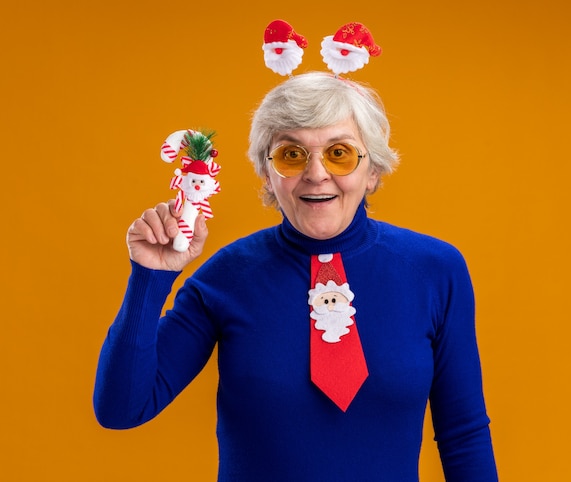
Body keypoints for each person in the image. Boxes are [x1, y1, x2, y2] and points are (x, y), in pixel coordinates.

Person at [93, 71, 498, 481]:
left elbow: (462, 434)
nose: (316, 173)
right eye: (292, 155)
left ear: (372, 170)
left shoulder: (435, 270)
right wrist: (149, 276)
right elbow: (122, 408)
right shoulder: (226, 276)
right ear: (268, 175)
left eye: (339, 153)